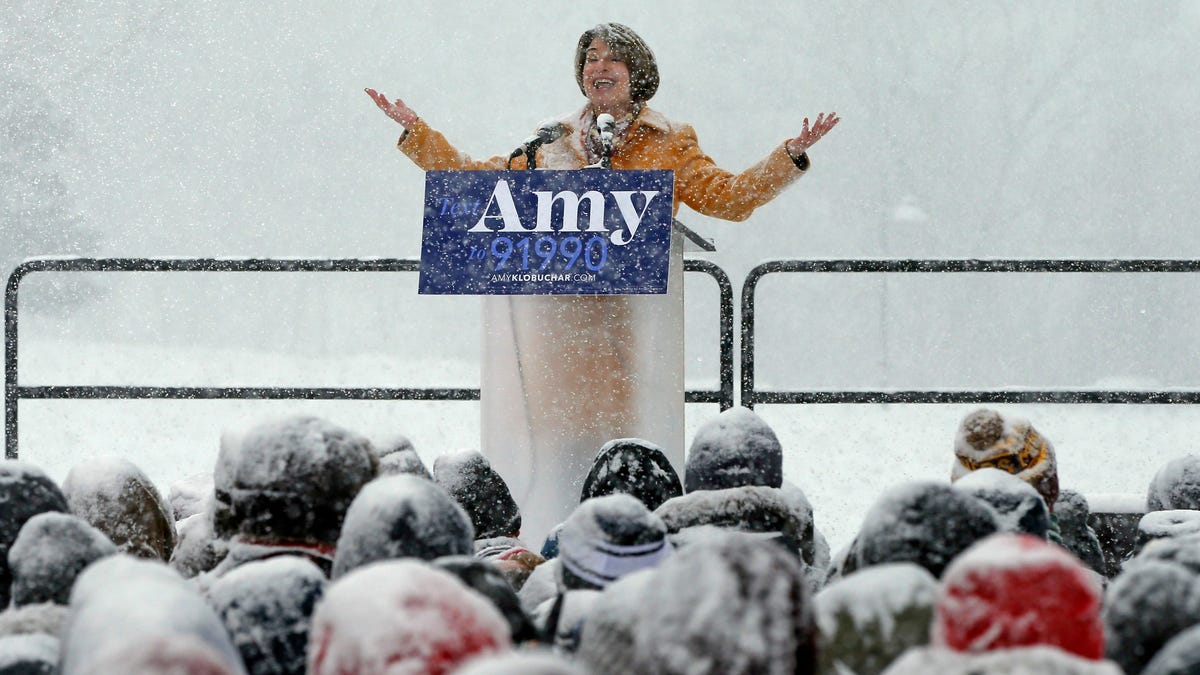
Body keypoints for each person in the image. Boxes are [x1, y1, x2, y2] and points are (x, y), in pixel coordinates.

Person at [366, 22, 839, 543]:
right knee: (559, 472)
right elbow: (482, 184)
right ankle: (549, 554)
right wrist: (419, 134)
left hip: (632, 348)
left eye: (612, 59)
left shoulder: (670, 142)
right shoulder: (551, 141)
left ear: (638, 73)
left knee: (625, 470)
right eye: (591, 58)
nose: (599, 67)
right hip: (554, 346)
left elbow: (729, 199)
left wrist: (789, 155)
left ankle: (631, 554)